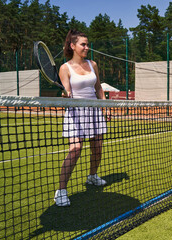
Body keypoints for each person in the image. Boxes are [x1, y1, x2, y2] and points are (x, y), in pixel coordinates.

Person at [54, 30, 108, 207]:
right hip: (76, 113)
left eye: (87, 43)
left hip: (95, 111)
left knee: (97, 148)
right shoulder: (65, 68)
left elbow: (98, 87)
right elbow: (68, 92)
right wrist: (66, 95)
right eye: (83, 44)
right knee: (75, 149)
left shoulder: (93, 64)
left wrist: (105, 106)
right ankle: (61, 191)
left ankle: (92, 176)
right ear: (72, 46)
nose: (87, 47)